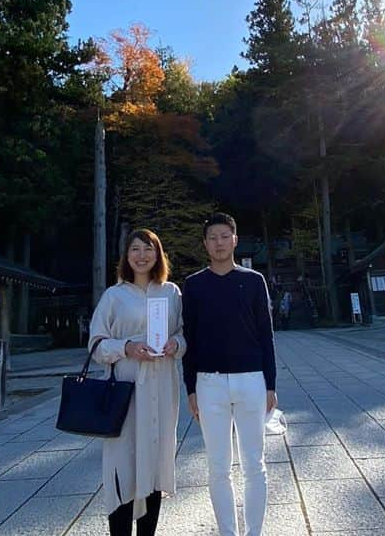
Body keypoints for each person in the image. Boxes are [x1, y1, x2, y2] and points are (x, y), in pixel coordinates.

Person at [182, 213, 277, 536]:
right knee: (218, 466)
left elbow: (267, 334)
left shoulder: (253, 281)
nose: (219, 243)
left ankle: (254, 532)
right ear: (205, 243)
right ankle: (228, 532)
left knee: (254, 464)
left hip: (251, 379)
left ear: (235, 239)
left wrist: (270, 385)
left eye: (225, 236)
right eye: (213, 237)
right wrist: (190, 388)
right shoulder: (194, 285)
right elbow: (189, 339)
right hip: (209, 383)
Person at [89, 228, 185, 536]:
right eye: (135, 249)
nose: (141, 255)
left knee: (154, 464)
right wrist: (126, 348)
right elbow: (95, 345)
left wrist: (176, 344)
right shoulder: (114, 296)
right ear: (126, 256)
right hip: (125, 392)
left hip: (161, 387)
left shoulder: (171, 292)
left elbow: (185, 334)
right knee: (123, 465)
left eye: (148, 249)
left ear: (158, 254)